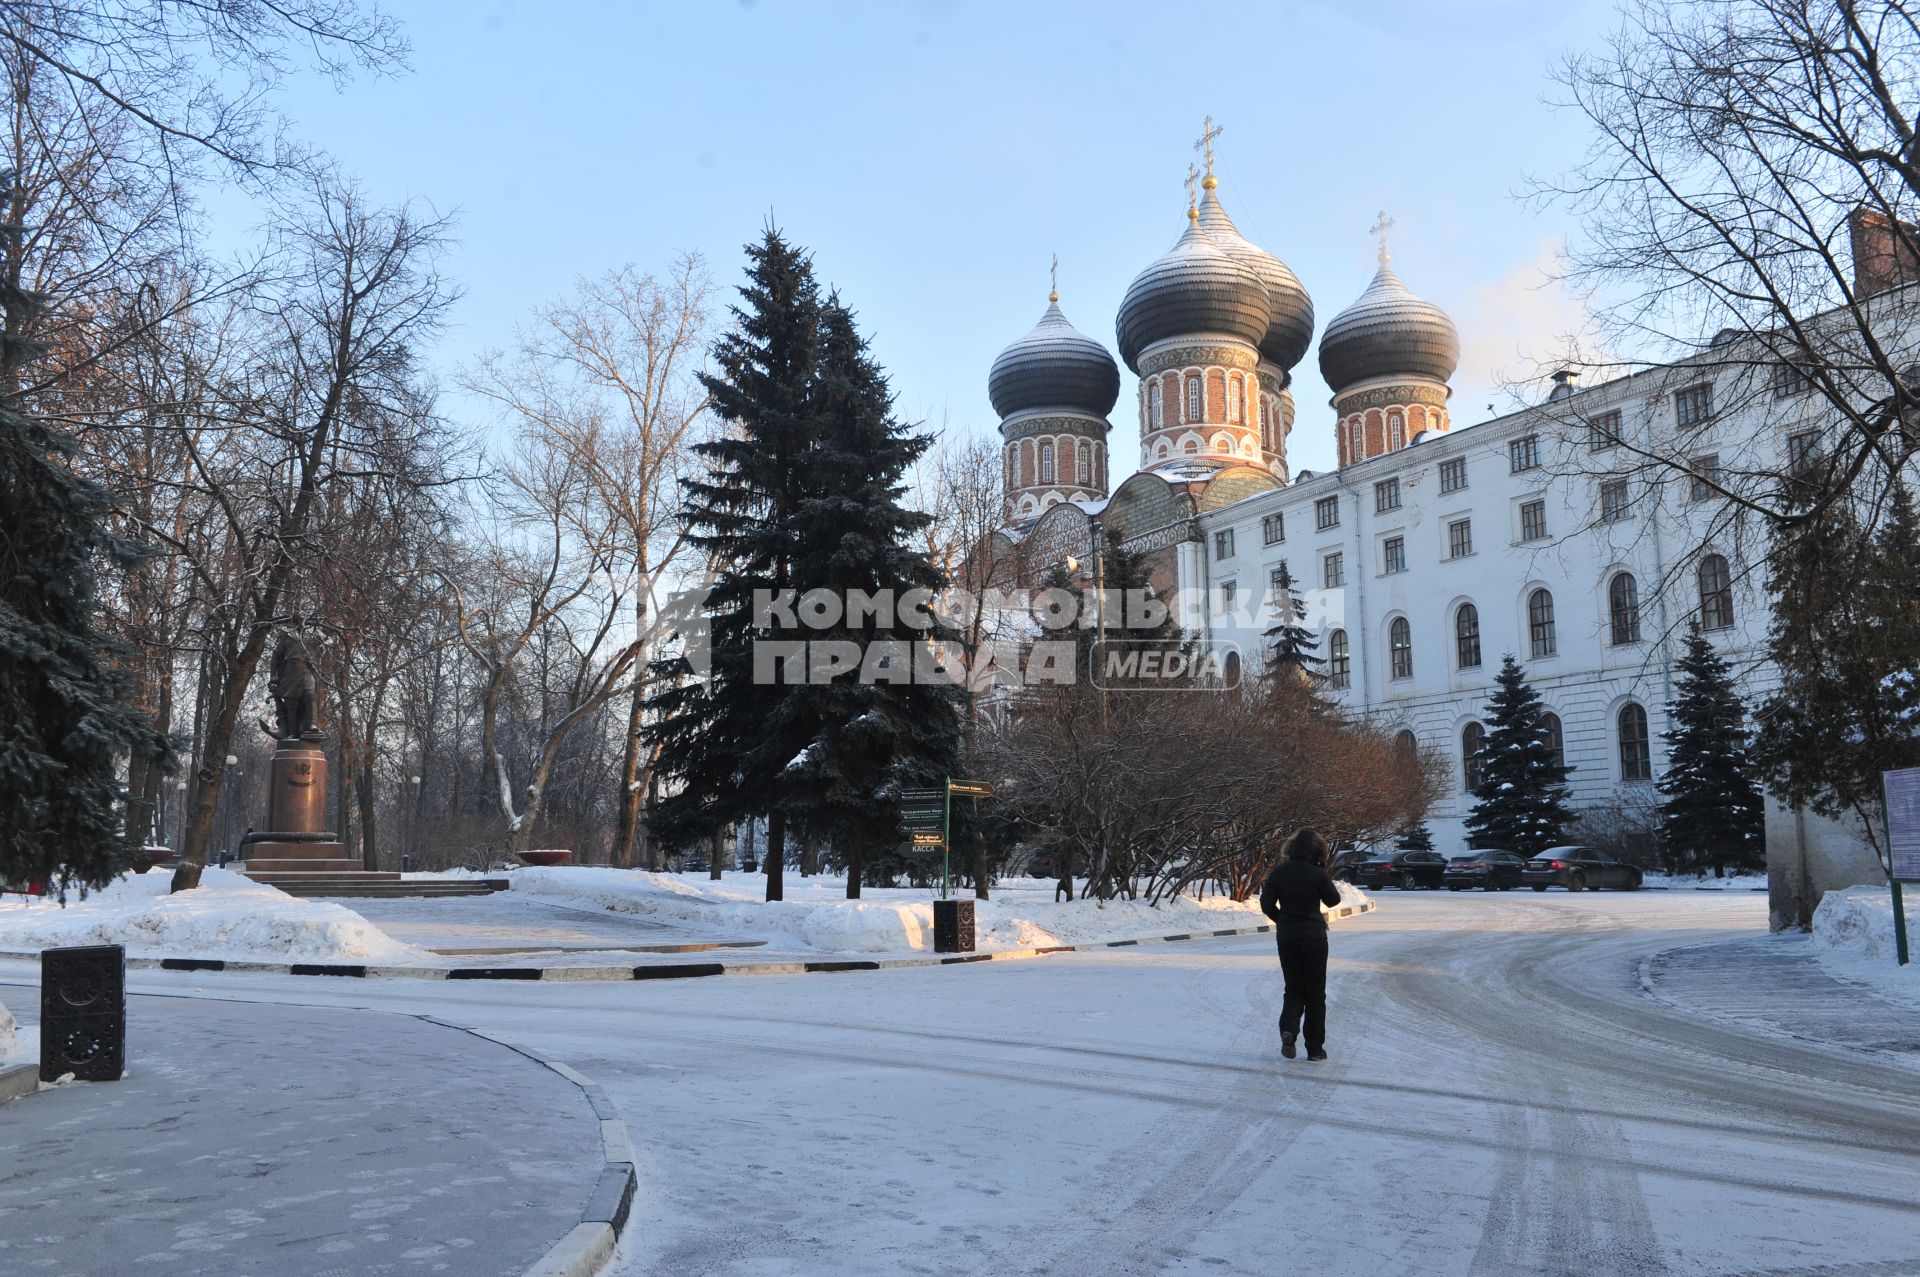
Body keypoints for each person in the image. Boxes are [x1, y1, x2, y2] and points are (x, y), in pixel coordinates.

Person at [1258, 827, 1343, 1061]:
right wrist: (1322, 873)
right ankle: (1315, 1049)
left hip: (1287, 938)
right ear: (1318, 851)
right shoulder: (1317, 873)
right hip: (1315, 937)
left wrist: (1283, 921)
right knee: (1315, 994)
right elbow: (1333, 900)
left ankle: (1288, 1030)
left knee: (1293, 988)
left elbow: (1266, 904)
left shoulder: (1278, 872)